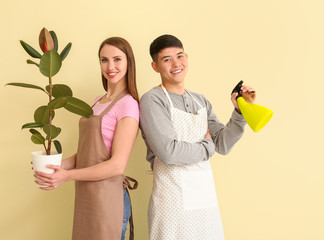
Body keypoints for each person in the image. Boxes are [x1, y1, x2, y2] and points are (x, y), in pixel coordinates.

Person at [139, 34, 256, 239]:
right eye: (167, 59)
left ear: (187, 57)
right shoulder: (153, 100)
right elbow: (169, 152)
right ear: (155, 66)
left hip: (204, 199)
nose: (176, 64)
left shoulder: (201, 100)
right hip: (171, 201)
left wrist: (240, 112)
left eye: (180, 56)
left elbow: (222, 144)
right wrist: (206, 147)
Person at [34, 37, 139, 240]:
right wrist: (55, 166)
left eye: (117, 59)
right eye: (104, 60)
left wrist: (67, 176)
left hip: (108, 199)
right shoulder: (96, 101)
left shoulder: (128, 104)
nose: (110, 66)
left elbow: (117, 165)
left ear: (128, 62)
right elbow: (86, 153)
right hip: (86, 197)